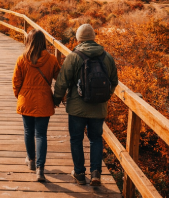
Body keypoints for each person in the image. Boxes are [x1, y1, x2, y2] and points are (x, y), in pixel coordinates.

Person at [53, 24, 118, 186]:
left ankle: (80, 173)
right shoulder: (107, 57)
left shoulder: (73, 57)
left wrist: (56, 98)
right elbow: (114, 82)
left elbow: (62, 81)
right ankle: (96, 172)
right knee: (95, 138)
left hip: (76, 108)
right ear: (94, 37)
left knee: (76, 139)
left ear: (78, 38)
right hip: (99, 108)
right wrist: (104, 97)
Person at [12, 30, 60, 182]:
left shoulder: (22, 59)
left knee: (28, 131)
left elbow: (16, 82)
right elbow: (60, 79)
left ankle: (31, 160)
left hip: (26, 100)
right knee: (41, 135)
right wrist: (58, 97)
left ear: (29, 41)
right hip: (44, 101)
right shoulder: (52, 59)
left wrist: (20, 96)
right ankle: (40, 169)